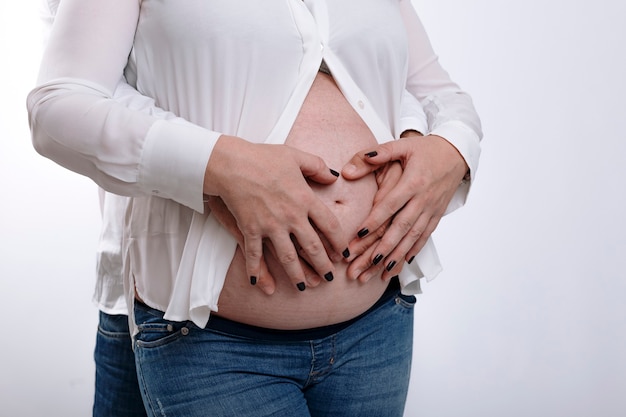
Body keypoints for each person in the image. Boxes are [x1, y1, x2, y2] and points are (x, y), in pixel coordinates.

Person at [27, 0, 482, 416]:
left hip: (379, 322)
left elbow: (431, 92)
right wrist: (220, 166)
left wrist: (447, 148)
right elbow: (65, 103)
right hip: (215, 341)